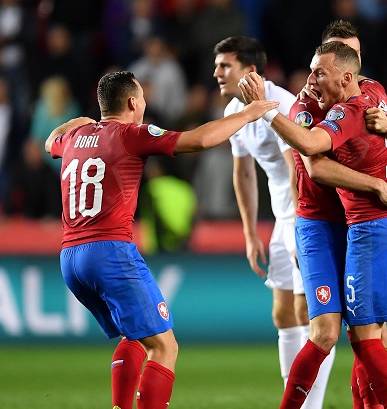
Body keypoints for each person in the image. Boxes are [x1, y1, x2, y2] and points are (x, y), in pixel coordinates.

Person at [44, 70, 278, 409]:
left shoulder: (77, 135)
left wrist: (75, 122)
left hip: (71, 257)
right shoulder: (130, 134)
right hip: (110, 251)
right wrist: (247, 114)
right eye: (142, 98)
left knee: (137, 335)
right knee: (165, 346)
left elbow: (50, 141)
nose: (145, 104)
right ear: (131, 102)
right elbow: (197, 140)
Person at [240, 40, 387, 409]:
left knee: (369, 336)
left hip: (359, 226)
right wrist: (377, 185)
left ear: (350, 73)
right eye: (313, 69)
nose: (311, 78)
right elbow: (315, 164)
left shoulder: (371, 94)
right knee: (325, 332)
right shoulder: (304, 106)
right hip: (320, 225)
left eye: (320, 71)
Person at [212, 36, 334, 409]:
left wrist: (302, 228)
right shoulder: (235, 111)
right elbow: (244, 173)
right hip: (284, 219)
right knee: (283, 314)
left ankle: (309, 405)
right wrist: (251, 233)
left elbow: (295, 168)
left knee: (307, 315)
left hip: (307, 215)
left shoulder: (282, 104)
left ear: (251, 71)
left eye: (225, 65)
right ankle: (295, 399)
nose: (216, 72)